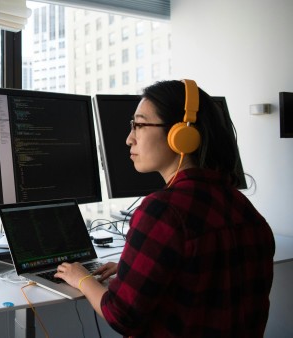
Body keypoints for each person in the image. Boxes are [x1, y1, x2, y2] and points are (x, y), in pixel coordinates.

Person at [54, 79, 275, 337]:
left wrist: (83, 278)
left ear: (181, 135)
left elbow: (121, 315)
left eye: (139, 124)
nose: (129, 139)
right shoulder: (244, 207)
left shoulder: (163, 211)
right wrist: (131, 268)